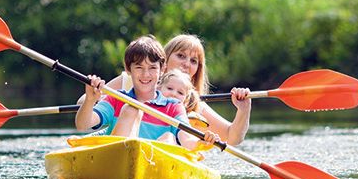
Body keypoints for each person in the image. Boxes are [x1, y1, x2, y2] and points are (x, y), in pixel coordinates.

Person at [95, 34, 251, 145]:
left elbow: (232, 138)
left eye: (194, 61)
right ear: (165, 59)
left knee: (170, 137)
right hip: (121, 145)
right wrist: (109, 101)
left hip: (163, 156)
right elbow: (84, 101)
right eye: (181, 56)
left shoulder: (194, 105)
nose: (187, 64)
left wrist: (244, 110)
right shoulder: (132, 79)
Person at [75, 35, 217, 151]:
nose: (145, 74)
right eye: (139, 67)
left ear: (162, 70)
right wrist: (90, 100)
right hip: (116, 157)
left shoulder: (174, 107)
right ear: (129, 70)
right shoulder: (116, 98)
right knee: (131, 109)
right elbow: (82, 125)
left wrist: (202, 142)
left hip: (153, 164)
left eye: (152, 68)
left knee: (168, 137)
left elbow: (187, 139)